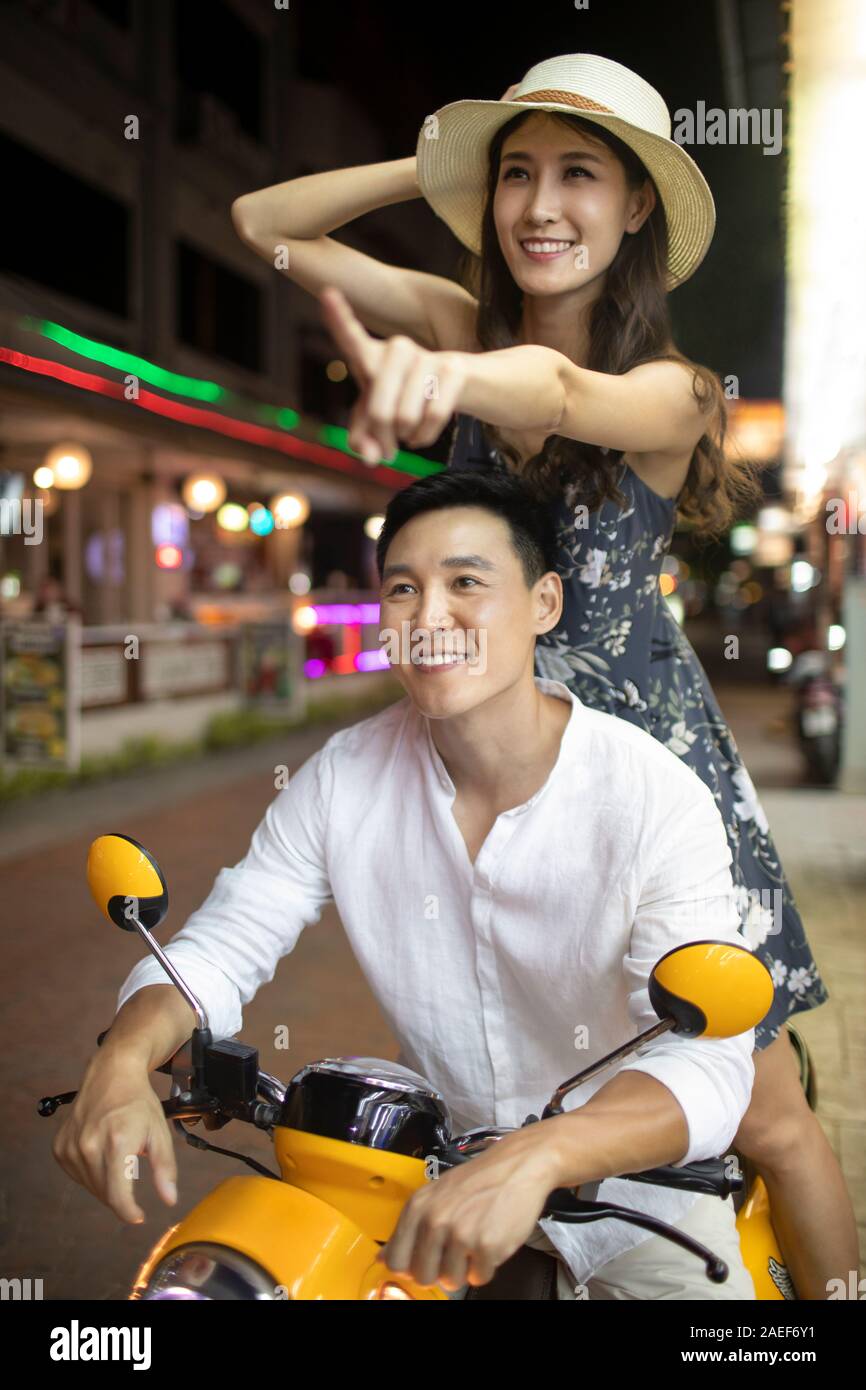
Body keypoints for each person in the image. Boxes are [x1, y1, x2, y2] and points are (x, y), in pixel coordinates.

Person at [230, 51, 857, 1300]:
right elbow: (262, 224)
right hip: (492, 758)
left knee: (765, 1107)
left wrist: (442, 375)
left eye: (577, 173)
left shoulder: (671, 391)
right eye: (514, 175)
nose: (536, 205)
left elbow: (562, 387)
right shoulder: (461, 319)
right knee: (527, 1065)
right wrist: (430, 167)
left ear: (635, 209)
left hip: (652, 777)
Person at [54, 468, 759, 1299]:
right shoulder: (343, 776)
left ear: (544, 604)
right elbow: (227, 940)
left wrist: (540, 1156)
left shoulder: (655, 795)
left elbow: (708, 1064)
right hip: (419, 1182)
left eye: (466, 582)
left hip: (637, 1201)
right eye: (402, 588)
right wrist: (125, 1057)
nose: (428, 618)